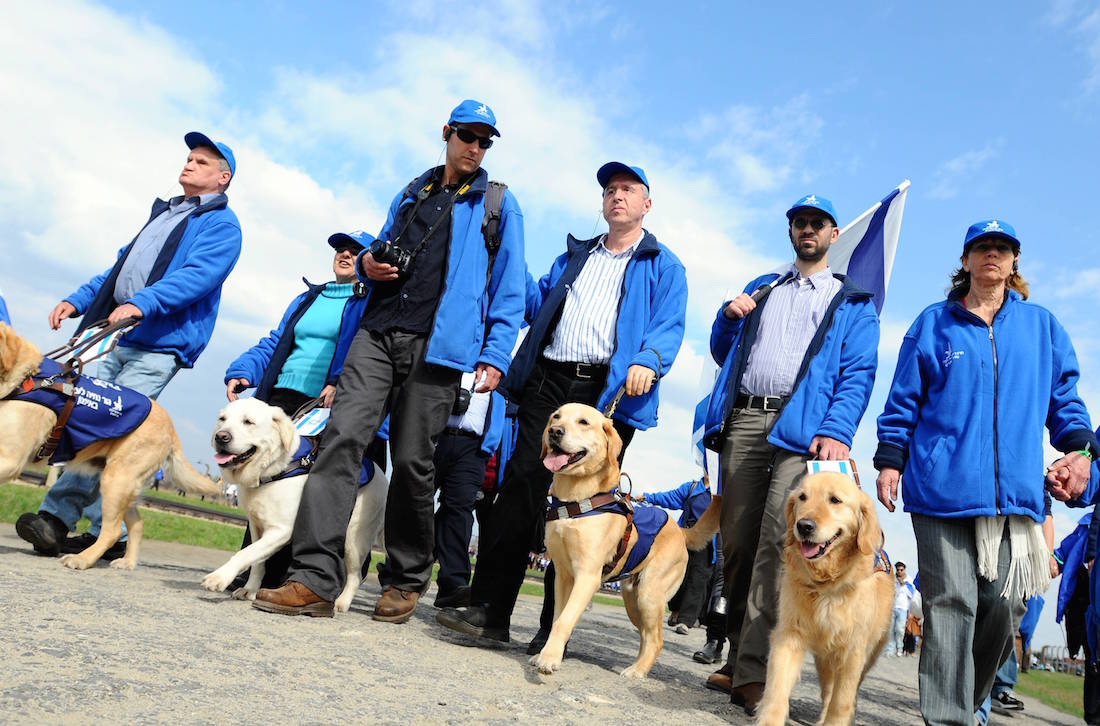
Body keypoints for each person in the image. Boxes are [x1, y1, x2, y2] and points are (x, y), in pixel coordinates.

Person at [251, 100, 525, 623]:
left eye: (485, 141)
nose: (475, 147)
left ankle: (404, 578)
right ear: (446, 132)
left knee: (414, 463)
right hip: (375, 334)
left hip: (437, 346)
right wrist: (369, 264)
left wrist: (494, 353)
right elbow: (379, 249)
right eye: (467, 135)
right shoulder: (412, 191)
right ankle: (313, 579)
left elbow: (509, 285)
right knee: (339, 442)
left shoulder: (498, 204)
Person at [437, 161, 688, 646]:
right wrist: (506, 262)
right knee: (517, 490)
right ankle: (489, 610)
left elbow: (668, 326)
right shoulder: (575, 257)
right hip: (549, 381)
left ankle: (555, 631)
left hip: (608, 390)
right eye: (610, 189)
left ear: (646, 204)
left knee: (584, 507)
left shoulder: (663, 265)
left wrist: (649, 360)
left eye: (628, 190)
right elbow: (537, 303)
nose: (617, 196)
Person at [874, 219, 1097, 725]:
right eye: (981, 247)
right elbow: (902, 401)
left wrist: (1080, 452)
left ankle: (970, 699)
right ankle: (949, 718)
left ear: (1014, 261)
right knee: (952, 604)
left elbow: (1066, 404)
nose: (991, 254)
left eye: (1001, 248)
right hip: (939, 490)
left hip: (1014, 498)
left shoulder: (1042, 327)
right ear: (967, 260)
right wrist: (891, 461)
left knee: (1003, 607)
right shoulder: (935, 323)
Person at [15, 132, 241, 559]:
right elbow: (118, 268)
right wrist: (78, 300)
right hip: (113, 333)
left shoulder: (222, 225)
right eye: (188, 157)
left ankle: (78, 524)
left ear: (222, 178)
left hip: (158, 343)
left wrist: (142, 303)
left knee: (113, 432)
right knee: (81, 424)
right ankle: (87, 529)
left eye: (201, 162)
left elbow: (197, 277)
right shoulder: (164, 214)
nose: (189, 164)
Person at [699, 194, 880, 713]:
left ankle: (752, 673)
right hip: (745, 419)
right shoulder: (765, 288)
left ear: (833, 233)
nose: (807, 229)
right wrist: (728, 319)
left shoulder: (852, 303)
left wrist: (838, 428)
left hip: (803, 430)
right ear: (791, 231)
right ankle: (739, 652)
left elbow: (857, 374)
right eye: (799, 222)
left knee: (776, 545)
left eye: (817, 223)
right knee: (733, 544)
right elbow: (722, 352)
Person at [221, 230, 378, 590]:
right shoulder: (309, 298)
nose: (345, 254)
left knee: (311, 490)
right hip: (282, 399)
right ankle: (252, 571)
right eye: (340, 249)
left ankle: (306, 576)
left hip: (328, 404)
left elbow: (366, 352)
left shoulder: (368, 301)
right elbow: (276, 340)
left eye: (355, 250)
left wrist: (341, 382)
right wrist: (244, 370)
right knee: (265, 484)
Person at [429, 382, 507, 609]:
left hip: (473, 447)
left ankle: (453, 585)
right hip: (433, 436)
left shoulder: (500, 370)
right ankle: (399, 574)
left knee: (460, 510)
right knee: (415, 503)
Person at [635, 475, 713, 634]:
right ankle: (675, 611)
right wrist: (649, 497)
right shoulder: (692, 487)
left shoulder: (720, 489)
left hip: (708, 542)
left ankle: (686, 621)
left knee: (697, 580)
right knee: (678, 576)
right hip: (685, 536)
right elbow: (671, 497)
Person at [886, 561, 916, 657]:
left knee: (900, 629)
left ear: (904, 570)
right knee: (891, 629)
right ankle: (890, 649)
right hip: (892, 607)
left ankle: (899, 648)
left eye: (901, 570)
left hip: (903, 608)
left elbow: (912, 595)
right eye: (898, 569)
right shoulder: (893, 579)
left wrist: (904, 585)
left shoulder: (909, 580)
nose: (899, 571)